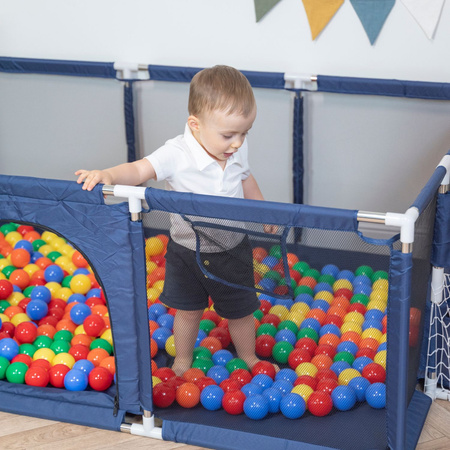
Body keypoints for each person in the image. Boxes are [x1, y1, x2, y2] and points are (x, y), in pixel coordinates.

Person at [76, 65, 277, 376]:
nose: (237, 143)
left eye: (244, 133)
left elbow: (246, 177)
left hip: (233, 247)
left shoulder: (236, 149)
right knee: (187, 310)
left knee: (241, 310)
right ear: (195, 125)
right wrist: (109, 175)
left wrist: (263, 211)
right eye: (228, 135)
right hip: (187, 251)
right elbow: (139, 170)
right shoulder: (176, 153)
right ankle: (182, 358)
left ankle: (248, 355)